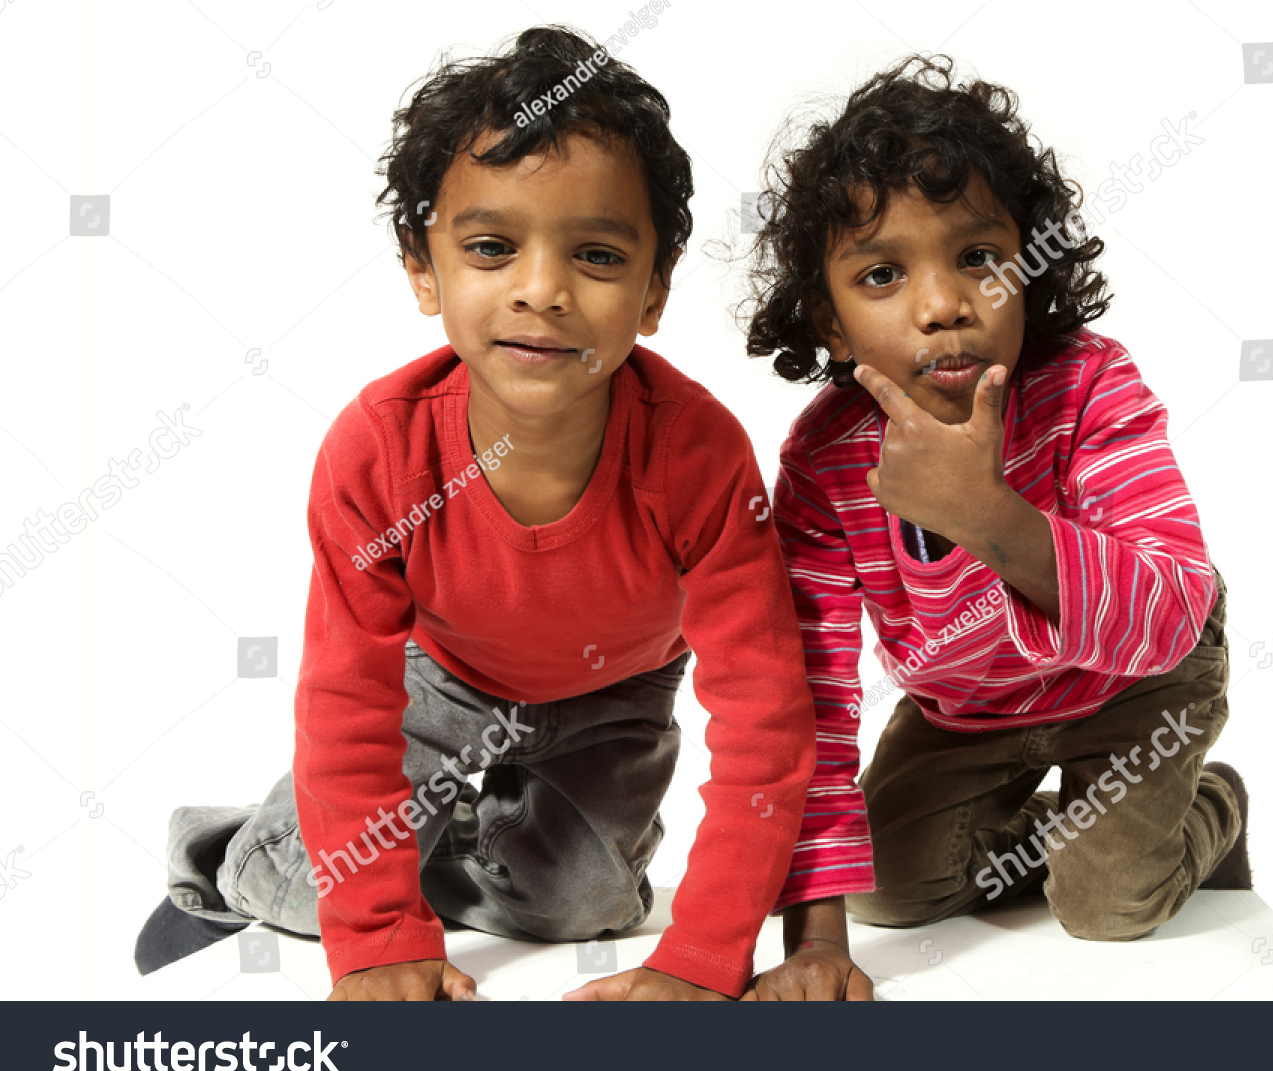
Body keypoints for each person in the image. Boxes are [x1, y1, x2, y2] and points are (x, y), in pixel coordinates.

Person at [134, 23, 816, 1002]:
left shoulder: (697, 455)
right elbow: (347, 705)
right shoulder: (380, 448)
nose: (541, 291)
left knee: (580, 906)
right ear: (426, 268)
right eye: (492, 248)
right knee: (306, 886)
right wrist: (376, 938)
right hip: (441, 684)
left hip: (615, 700)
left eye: (596, 255)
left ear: (655, 290)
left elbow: (764, 719)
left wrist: (702, 961)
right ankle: (230, 849)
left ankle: (438, 836)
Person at [736, 55, 1250, 1001]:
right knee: (888, 890)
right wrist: (815, 941)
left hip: (1134, 679)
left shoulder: (1090, 386)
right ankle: (1054, 823)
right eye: (883, 273)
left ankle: (1207, 804)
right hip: (970, 705)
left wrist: (988, 516)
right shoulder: (823, 461)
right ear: (831, 321)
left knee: (1108, 903)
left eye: (979, 257)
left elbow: (1173, 606)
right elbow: (810, 691)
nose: (944, 305)